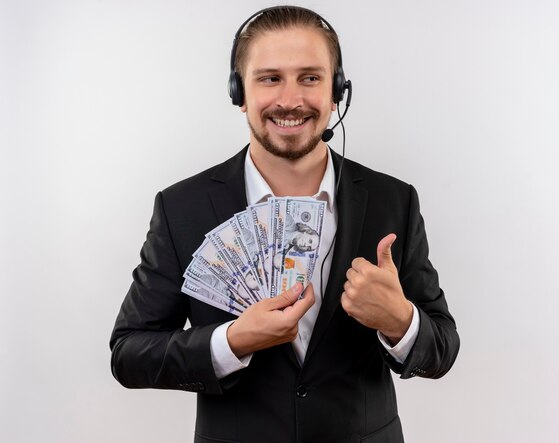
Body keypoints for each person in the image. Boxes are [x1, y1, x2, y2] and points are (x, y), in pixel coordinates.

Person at [110, 6, 460, 443]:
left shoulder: (394, 200)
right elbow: (128, 354)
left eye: (310, 78)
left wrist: (400, 321)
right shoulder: (182, 207)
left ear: (338, 92)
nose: (290, 100)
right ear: (239, 92)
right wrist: (233, 341)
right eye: (269, 78)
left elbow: (442, 348)